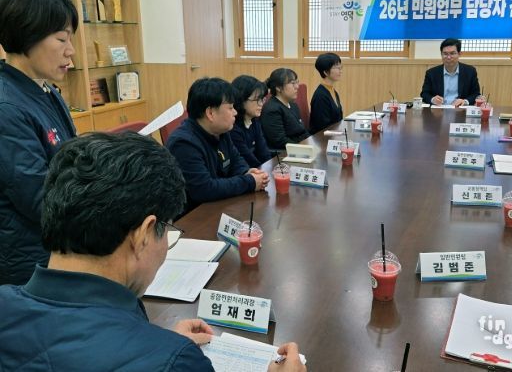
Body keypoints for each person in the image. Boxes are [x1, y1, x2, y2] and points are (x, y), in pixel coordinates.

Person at [0, 132, 305, 371]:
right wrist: (165, 352)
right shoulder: (175, 362)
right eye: (167, 229)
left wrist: (155, 341)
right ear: (144, 234)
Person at [0, 0, 78, 285]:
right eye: (61, 39)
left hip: (55, 245)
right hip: (29, 263)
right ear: (27, 34)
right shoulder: (7, 107)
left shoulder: (44, 89)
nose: (71, 51)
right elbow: (39, 198)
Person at [166, 77, 269, 213]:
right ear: (210, 113)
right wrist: (249, 182)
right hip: (194, 216)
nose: (235, 112)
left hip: (220, 205)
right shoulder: (183, 144)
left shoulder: (221, 131)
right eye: (230, 108)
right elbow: (204, 189)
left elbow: (236, 161)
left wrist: (246, 172)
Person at [420, 38, 480, 106]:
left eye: (452, 53)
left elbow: (476, 94)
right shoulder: (431, 73)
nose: (448, 57)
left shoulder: (470, 71)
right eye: (445, 54)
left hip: (460, 109)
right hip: (438, 109)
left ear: (459, 54)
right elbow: (424, 94)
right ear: (441, 54)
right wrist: (433, 99)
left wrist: (465, 101)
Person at [260, 68, 310, 150]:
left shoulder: (293, 105)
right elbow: (280, 141)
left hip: (299, 148)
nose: (297, 87)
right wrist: (304, 148)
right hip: (285, 152)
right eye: (292, 83)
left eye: (297, 82)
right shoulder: (272, 110)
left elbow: (302, 131)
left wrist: (311, 142)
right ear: (278, 88)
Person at [231, 75, 272, 168]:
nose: (261, 104)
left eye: (262, 99)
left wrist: (271, 167)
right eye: (257, 100)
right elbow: (248, 160)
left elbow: (264, 152)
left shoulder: (254, 120)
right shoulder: (232, 127)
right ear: (241, 99)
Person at [309, 52, 344, 134]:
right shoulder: (320, 96)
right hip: (322, 138)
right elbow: (322, 127)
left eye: (340, 67)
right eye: (337, 67)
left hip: (334, 134)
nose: (340, 71)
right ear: (325, 72)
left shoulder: (332, 90)